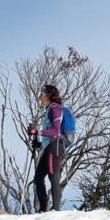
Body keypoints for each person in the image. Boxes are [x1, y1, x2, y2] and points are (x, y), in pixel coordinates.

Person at [28, 84, 65, 212]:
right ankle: (43, 209)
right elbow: (49, 132)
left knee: (53, 176)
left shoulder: (55, 109)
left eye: (42, 94)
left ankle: (56, 209)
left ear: (48, 95)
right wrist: (39, 143)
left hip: (54, 146)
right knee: (38, 178)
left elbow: (55, 130)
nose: (40, 96)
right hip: (49, 146)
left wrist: (38, 132)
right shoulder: (49, 109)